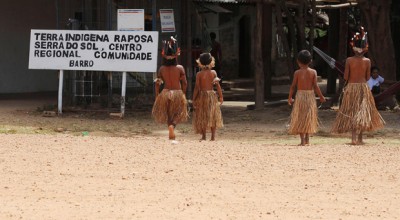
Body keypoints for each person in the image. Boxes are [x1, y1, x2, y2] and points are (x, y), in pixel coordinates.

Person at [331, 27, 385, 145]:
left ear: (353, 47)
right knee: (362, 112)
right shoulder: (367, 61)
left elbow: (345, 77)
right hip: (362, 88)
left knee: (352, 112)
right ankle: (360, 139)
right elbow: (367, 77)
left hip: (351, 88)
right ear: (364, 48)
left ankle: (353, 138)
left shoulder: (349, 60)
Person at [152, 36, 188, 140]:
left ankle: (170, 130)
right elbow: (184, 83)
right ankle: (173, 126)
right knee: (180, 112)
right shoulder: (180, 68)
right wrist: (183, 94)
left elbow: (157, 83)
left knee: (168, 113)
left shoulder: (162, 69)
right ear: (175, 56)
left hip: (165, 92)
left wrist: (157, 95)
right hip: (177, 92)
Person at [288, 50, 326, 146]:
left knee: (301, 117)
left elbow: (293, 86)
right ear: (310, 61)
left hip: (300, 96)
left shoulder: (297, 73)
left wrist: (290, 98)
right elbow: (316, 86)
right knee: (308, 117)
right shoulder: (313, 72)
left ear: (298, 61)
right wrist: (321, 97)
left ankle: (302, 141)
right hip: (310, 97)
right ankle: (307, 139)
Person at [192, 53, 224, 141]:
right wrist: (221, 96)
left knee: (202, 115)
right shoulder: (213, 72)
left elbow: (197, 88)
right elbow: (217, 86)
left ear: (200, 63)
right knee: (212, 115)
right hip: (211, 96)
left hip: (202, 96)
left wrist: (194, 98)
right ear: (211, 62)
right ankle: (213, 137)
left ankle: (204, 136)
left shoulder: (199, 74)